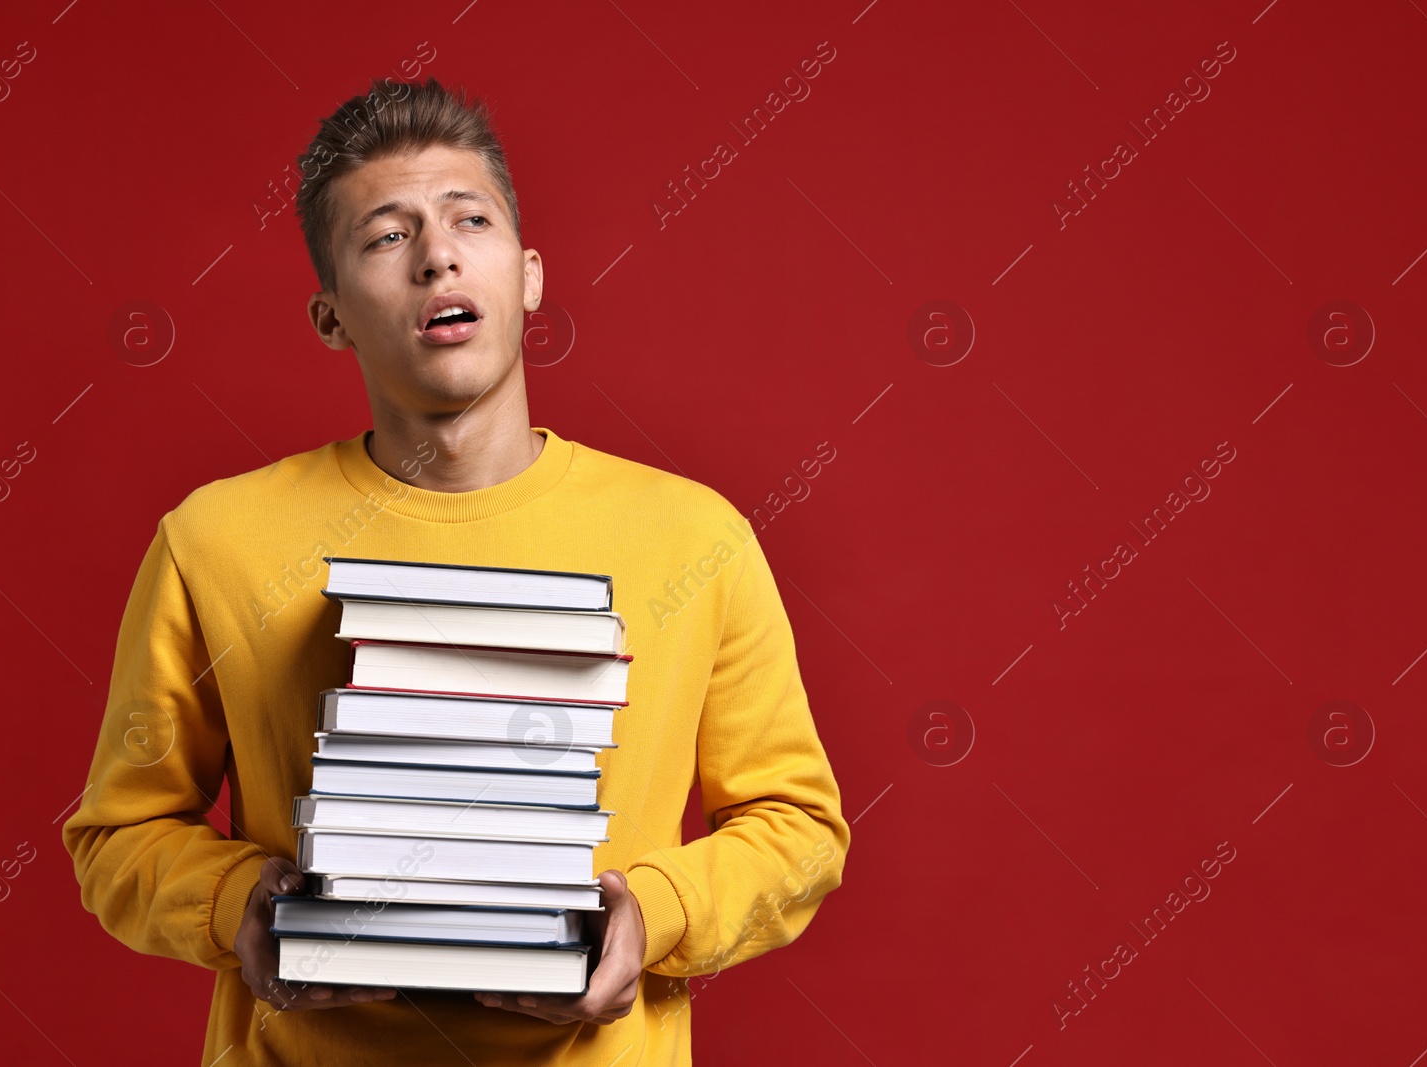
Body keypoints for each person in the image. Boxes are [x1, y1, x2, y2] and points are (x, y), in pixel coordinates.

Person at [61, 76, 849, 1066]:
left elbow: (799, 826)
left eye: (467, 220)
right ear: (331, 315)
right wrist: (242, 907)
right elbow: (118, 834)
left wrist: (655, 913)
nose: (435, 253)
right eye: (386, 237)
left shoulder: (696, 538)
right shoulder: (213, 539)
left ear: (525, 275)